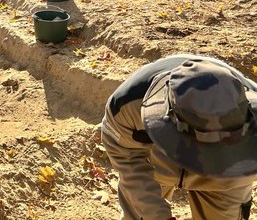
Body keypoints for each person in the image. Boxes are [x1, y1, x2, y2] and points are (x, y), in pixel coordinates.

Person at [101, 53, 257, 220]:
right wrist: (156, 214)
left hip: (226, 171)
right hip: (156, 164)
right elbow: (128, 159)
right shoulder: (127, 105)